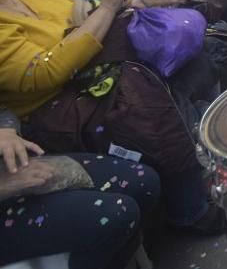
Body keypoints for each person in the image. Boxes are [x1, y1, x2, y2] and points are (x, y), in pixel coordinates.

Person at [4, 0, 225, 234]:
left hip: (90, 67)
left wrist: (122, 5)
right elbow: (46, 70)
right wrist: (107, 10)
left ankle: (206, 148)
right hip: (55, 106)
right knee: (146, 101)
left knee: (208, 48)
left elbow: (80, 10)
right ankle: (189, 210)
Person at [0, 105, 161, 269]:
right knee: (116, 213)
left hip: (14, 166)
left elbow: (4, 111)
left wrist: (6, 130)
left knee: (143, 182)